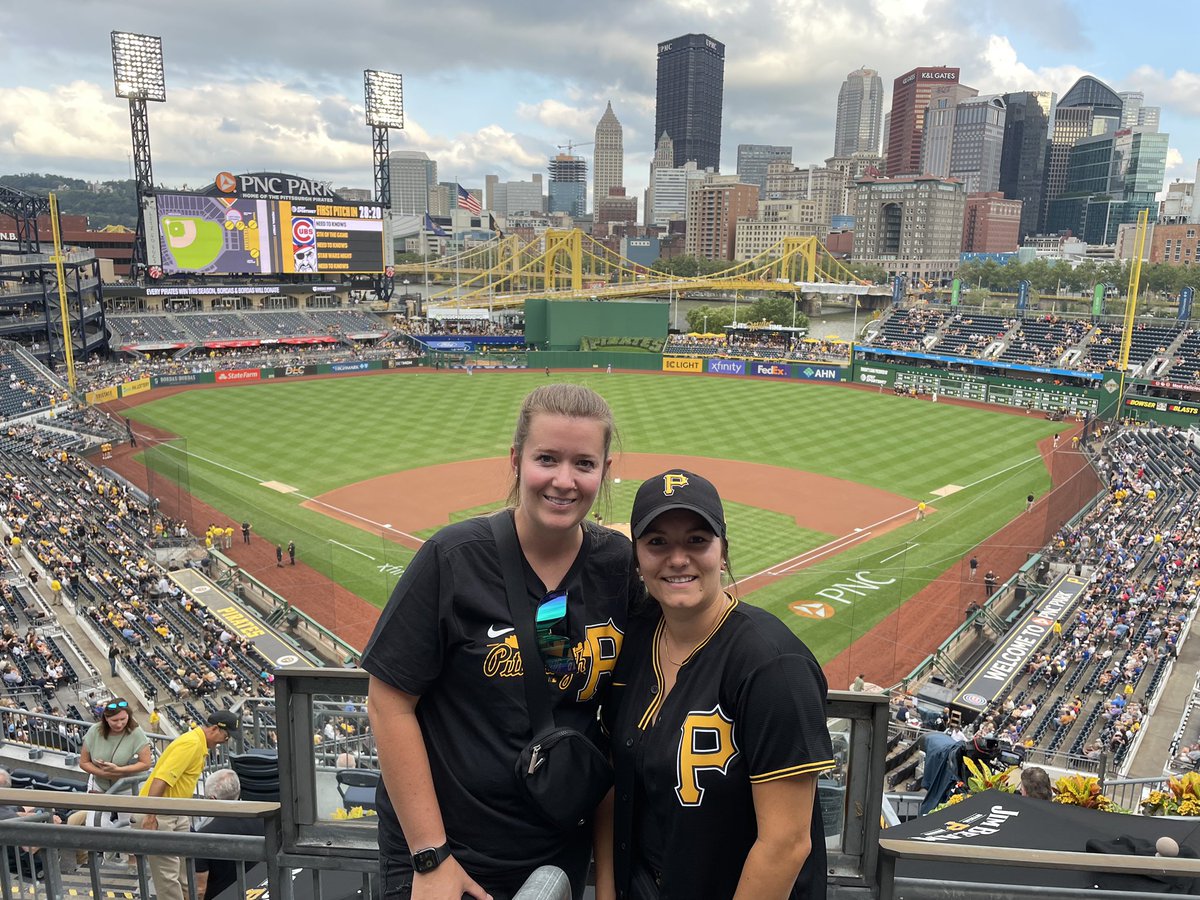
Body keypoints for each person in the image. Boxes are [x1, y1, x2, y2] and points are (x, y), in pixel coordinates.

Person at [362, 384, 636, 900]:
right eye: (546, 459)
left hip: (556, 850)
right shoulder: (453, 558)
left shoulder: (617, 566)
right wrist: (430, 856)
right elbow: (387, 704)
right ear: (516, 460)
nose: (564, 480)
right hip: (447, 855)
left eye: (583, 463)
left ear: (604, 470)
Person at [603, 470, 835, 899]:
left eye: (697, 540)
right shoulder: (635, 640)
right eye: (657, 542)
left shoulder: (773, 665)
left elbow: (785, 844)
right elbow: (615, 784)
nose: (677, 559)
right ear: (637, 558)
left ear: (723, 552)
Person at [133, 711, 239, 900]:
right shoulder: (191, 744)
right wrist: (150, 816)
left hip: (176, 811)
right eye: (226, 735)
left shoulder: (199, 744)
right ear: (215, 729)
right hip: (159, 813)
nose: (226, 741)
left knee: (186, 873)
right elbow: (161, 780)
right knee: (167, 877)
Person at [194, 769, 266, 900]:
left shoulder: (203, 837)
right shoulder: (263, 822)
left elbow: (199, 890)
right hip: (259, 891)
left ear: (213, 799)